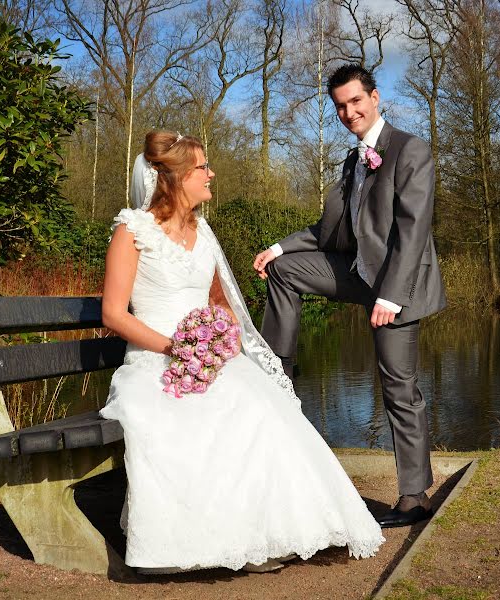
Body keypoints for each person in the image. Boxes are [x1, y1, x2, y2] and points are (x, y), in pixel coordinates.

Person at [99, 130, 384, 574]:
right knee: (192, 420)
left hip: (207, 360)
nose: (212, 173)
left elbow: (220, 305)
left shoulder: (201, 231)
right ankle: (196, 542)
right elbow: (114, 314)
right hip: (156, 363)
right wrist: (177, 349)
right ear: (175, 178)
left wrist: (220, 340)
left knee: (261, 407)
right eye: (202, 167)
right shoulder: (131, 231)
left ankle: (267, 533)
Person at [253, 64, 447, 529]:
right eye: (340, 105)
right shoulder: (353, 160)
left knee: (399, 387)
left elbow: (412, 232)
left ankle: (414, 496)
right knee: (284, 270)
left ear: (375, 98)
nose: (348, 112)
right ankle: (275, 371)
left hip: (398, 286)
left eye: (355, 101)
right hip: (358, 273)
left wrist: (392, 297)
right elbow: (330, 231)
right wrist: (279, 246)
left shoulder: (410, 150)